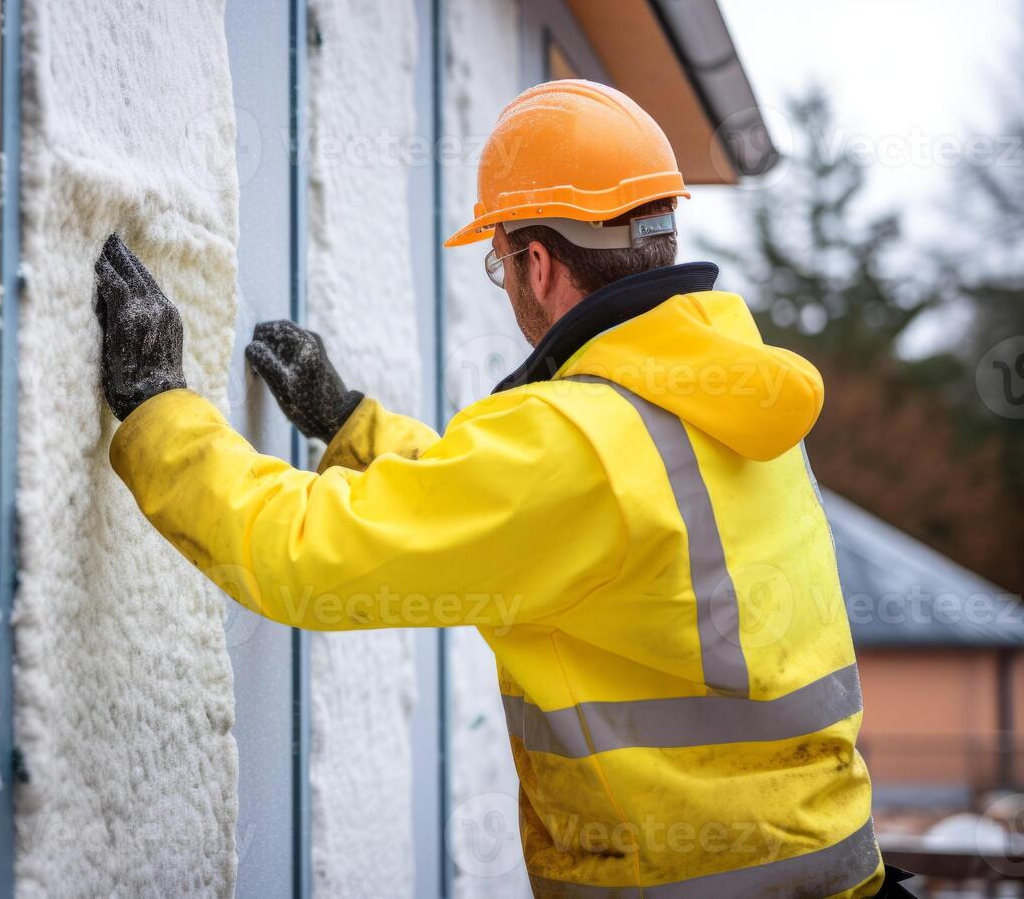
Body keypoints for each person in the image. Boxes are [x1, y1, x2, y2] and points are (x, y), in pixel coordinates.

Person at [94, 80, 909, 897]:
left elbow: (310, 559)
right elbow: (520, 513)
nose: (507, 282)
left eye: (500, 261)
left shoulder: (580, 439)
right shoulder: (730, 401)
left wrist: (160, 409)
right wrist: (352, 426)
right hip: (836, 871)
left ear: (539, 262)